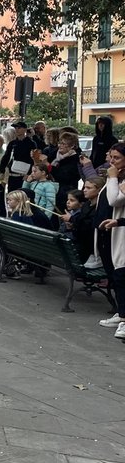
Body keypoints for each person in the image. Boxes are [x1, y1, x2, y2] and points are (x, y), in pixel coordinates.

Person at [98, 144, 125, 337]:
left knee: (122, 273)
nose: (112, 162)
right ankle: (121, 312)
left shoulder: (117, 177)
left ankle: (124, 317)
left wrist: (113, 177)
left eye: (116, 158)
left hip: (121, 229)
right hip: (114, 228)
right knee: (116, 271)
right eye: (111, 157)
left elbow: (114, 199)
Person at [23, 163, 58, 229]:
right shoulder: (33, 183)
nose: (32, 173)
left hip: (40, 215)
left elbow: (51, 204)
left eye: (35, 171)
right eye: (32, 171)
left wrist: (46, 218)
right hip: (31, 213)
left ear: (43, 172)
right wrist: (27, 182)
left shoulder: (49, 186)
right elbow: (24, 193)